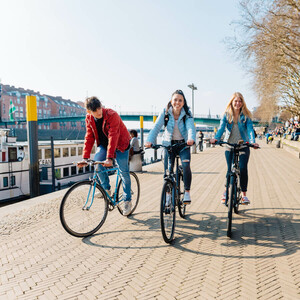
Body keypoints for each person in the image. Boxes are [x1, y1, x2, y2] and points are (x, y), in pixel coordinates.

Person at [81, 96, 132, 216]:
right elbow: (89, 137)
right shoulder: (89, 119)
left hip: (121, 145)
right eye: (95, 111)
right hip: (104, 145)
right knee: (97, 164)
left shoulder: (111, 115)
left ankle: (127, 200)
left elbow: (113, 136)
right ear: (89, 112)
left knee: (124, 173)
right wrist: (85, 157)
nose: (98, 112)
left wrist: (109, 158)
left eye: (99, 108)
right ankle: (106, 188)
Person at [145, 89, 196, 204]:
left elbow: (190, 127)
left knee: (186, 164)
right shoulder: (166, 112)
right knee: (168, 171)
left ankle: (187, 191)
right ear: (171, 101)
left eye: (180, 100)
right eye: (175, 100)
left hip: (183, 144)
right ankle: (168, 195)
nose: (177, 102)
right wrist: (149, 141)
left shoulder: (187, 113)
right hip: (169, 145)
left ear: (183, 102)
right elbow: (157, 126)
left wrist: (191, 138)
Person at [210, 92, 259, 205]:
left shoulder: (246, 115)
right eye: (236, 101)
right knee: (229, 170)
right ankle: (226, 191)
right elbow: (221, 128)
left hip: (243, 145)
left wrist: (253, 142)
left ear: (243, 103)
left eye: (240, 101)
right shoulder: (226, 115)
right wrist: (216, 139)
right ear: (232, 102)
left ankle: (244, 195)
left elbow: (250, 130)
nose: (238, 103)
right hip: (229, 145)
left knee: (242, 168)